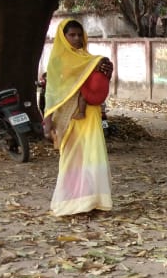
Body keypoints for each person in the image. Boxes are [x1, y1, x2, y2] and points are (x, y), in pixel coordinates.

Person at [43, 20, 114, 216]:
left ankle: (92, 202)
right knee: (72, 158)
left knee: (92, 156)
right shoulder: (58, 61)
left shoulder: (89, 59)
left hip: (90, 114)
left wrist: (106, 70)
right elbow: (51, 93)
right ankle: (69, 203)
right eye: (71, 35)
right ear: (62, 37)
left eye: (78, 35)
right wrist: (47, 121)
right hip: (69, 116)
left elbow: (99, 84)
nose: (76, 38)